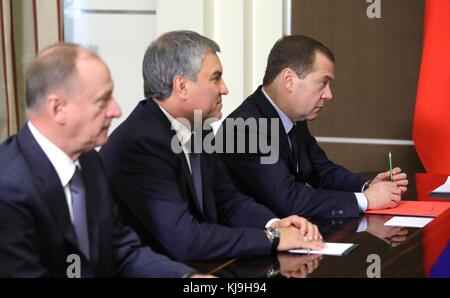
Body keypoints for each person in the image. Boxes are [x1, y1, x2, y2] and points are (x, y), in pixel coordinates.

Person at [99, 30, 324, 262]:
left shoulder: (198, 126)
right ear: (182, 86)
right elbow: (185, 239)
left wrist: (275, 224)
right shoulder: (140, 143)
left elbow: (228, 200)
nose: (224, 88)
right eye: (216, 78)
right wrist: (272, 238)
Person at [0, 43, 200, 278]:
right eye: (102, 100)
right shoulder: (8, 187)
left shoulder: (90, 163)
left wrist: (189, 279)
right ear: (58, 108)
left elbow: (121, 251)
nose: (116, 110)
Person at [219, 35, 408, 219]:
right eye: (322, 83)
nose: (328, 95)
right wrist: (365, 200)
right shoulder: (243, 128)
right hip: (255, 243)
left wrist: (367, 186)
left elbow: (323, 172)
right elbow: (289, 200)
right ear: (289, 80)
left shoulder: (294, 117)